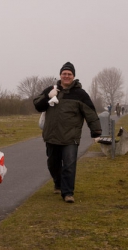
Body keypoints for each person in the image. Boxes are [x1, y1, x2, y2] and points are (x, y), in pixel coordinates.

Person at [33, 62, 102, 203]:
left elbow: (90, 113)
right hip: (52, 136)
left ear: (74, 76)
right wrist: (48, 97)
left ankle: (68, 193)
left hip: (71, 137)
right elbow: (37, 106)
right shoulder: (51, 89)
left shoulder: (80, 94)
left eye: (69, 74)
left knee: (69, 165)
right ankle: (58, 183)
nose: (66, 76)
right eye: (64, 73)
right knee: (53, 164)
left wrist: (96, 132)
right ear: (60, 75)